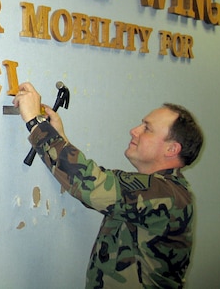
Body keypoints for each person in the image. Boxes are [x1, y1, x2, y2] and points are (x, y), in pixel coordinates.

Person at [13, 82, 204, 289]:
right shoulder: (158, 188)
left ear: (171, 149)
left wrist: (35, 122)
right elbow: (86, 183)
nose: (134, 131)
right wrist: (58, 136)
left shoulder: (166, 196)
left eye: (147, 129)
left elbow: (91, 185)